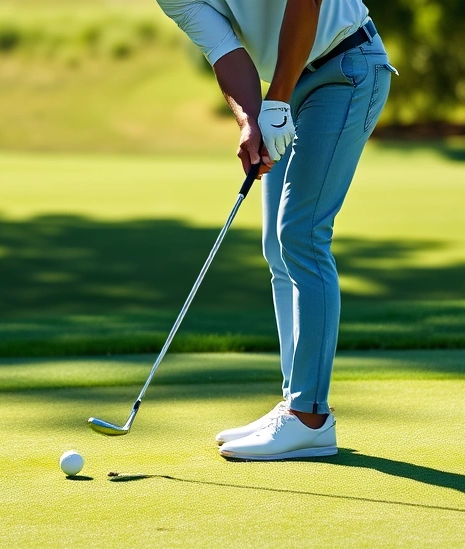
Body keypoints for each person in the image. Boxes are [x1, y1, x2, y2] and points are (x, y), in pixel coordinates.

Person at [156, 0, 396, 460]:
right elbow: (225, 51)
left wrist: (279, 99)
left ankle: (309, 416)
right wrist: (252, 119)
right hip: (289, 83)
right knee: (278, 247)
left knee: (302, 236)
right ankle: (295, 405)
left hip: (346, 65)